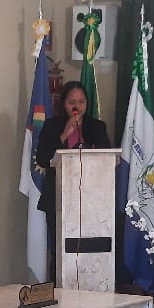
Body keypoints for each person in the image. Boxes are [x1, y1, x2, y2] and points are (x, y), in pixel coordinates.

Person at [34, 81, 112, 272]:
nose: (77, 106)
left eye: (81, 102)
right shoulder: (52, 126)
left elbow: (108, 158)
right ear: (63, 104)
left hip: (91, 198)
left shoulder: (97, 127)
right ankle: (59, 286)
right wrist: (64, 134)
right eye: (72, 102)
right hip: (59, 197)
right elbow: (43, 158)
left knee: (88, 249)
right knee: (61, 249)